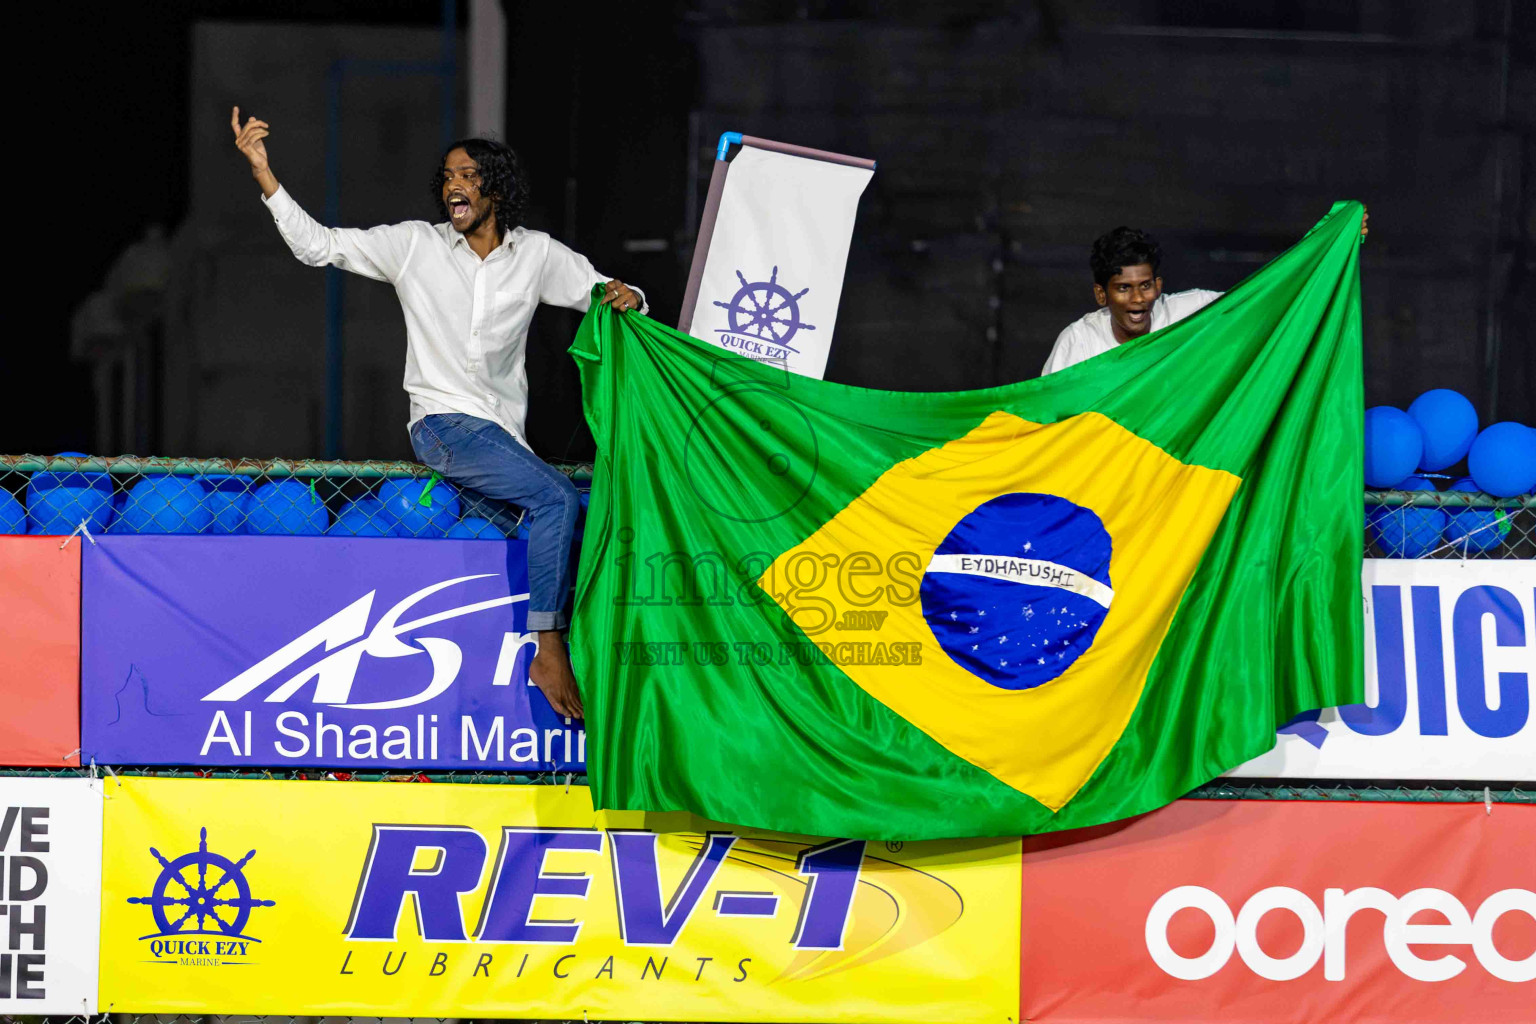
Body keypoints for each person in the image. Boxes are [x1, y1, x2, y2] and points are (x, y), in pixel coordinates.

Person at [232, 107, 641, 719]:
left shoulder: (537, 256)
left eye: (469, 175)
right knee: (557, 498)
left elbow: (607, 295)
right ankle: (549, 646)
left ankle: (532, 685)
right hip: (443, 427)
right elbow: (319, 246)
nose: (454, 184)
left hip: (504, 437)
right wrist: (265, 173)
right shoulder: (414, 246)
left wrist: (630, 294)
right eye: (448, 175)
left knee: (559, 520)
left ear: (496, 189)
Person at [1042, 215, 1367, 376]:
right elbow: (1045, 419)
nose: (1139, 299)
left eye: (1145, 285)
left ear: (1158, 285)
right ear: (1102, 294)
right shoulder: (1078, 343)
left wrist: (1329, 243)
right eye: (1123, 288)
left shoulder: (1192, 311)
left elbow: (1265, 300)